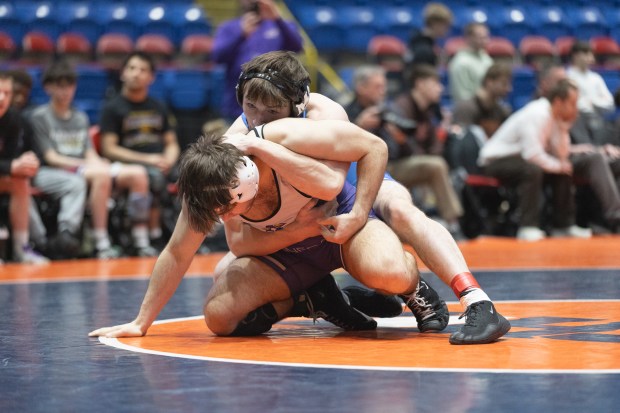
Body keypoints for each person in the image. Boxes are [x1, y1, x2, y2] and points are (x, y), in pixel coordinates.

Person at [222, 51, 511, 344]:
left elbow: (335, 182)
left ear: (298, 105)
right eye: (250, 106)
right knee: (226, 276)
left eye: (272, 112)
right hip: (309, 203)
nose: (258, 119)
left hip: (355, 178)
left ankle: (474, 299)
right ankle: (324, 296)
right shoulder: (239, 132)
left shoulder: (324, 113)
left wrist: (360, 213)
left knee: (400, 210)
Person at [89, 116, 449, 338]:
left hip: (339, 229)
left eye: (230, 209)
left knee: (386, 271)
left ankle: (412, 287)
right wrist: (141, 321)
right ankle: (309, 297)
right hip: (287, 250)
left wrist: (358, 214)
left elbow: (366, 152)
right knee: (219, 316)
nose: (227, 218)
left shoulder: (287, 143)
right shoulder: (206, 189)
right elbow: (178, 251)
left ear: (244, 182)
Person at [29, 60, 155, 259]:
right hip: (58, 170)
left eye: (69, 86)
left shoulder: (79, 117)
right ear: (48, 88)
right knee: (101, 175)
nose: (65, 92)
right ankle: (101, 242)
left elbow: (89, 152)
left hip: (83, 167)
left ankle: (140, 241)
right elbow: (51, 158)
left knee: (137, 173)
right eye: (59, 86)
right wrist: (90, 165)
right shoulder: (40, 117)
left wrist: (99, 162)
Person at [478, 78, 593, 241]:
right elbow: (532, 155)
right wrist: (559, 165)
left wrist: (564, 127)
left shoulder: (555, 117)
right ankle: (528, 227)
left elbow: (562, 154)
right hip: (495, 161)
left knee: (563, 169)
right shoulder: (537, 114)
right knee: (533, 169)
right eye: (572, 103)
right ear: (559, 101)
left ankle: (563, 226)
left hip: (520, 159)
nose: (576, 109)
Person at [99, 51, 180, 255]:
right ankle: (149, 236)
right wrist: (148, 159)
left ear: (151, 78)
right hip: (130, 165)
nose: (137, 74)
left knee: (192, 175)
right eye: (132, 68)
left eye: (143, 70)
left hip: (159, 162)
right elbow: (109, 149)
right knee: (151, 178)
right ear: (122, 73)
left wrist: (168, 160)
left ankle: (193, 235)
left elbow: (171, 143)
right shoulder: (112, 108)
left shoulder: (158, 106)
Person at [386, 64, 465, 238]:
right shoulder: (401, 107)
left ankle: (448, 221)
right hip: (391, 166)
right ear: (420, 84)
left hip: (415, 161)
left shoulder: (427, 111)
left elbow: (434, 147)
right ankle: (452, 222)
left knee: (438, 164)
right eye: (435, 83)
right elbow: (397, 148)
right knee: (435, 165)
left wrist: (442, 132)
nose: (440, 88)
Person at [211, 0, 303, 122]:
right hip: (236, 103)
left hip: (274, 105)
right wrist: (241, 34)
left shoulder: (279, 24)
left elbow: (297, 47)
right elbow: (217, 57)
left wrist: (277, 18)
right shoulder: (230, 27)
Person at [0, 71, 49, 264]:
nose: (2, 98)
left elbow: (12, 159)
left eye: (7, 93)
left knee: (19, 181)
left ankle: (21, 248)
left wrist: (26, 163)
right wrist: (13, 165)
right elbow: (10, 164)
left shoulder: (12, 118)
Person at [452, 62, 513, 128]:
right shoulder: (465, 109)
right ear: (489, 82)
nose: (509, 89)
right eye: (504, 84)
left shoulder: (503, 112)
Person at [447, 22, 493, 103]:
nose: (484, 40)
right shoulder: (461, 62)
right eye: (480, 37)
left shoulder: (486, 58)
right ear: (469, 38)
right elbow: (462, 96)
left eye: (486, 37)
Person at [407, 2, 454, 68]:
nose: (447, 30)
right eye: (446, 25)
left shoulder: (423, 42)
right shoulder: (423, 49)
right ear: (435, 23)